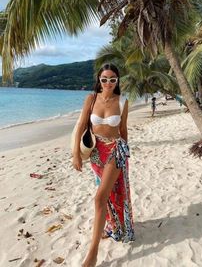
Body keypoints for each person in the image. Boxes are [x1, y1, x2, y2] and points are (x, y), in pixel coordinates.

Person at [72, 63, 135, 267]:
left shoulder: (123, 100)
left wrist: (125, 153)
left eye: (112, 79)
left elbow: (123, 129)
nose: (108, 83)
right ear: (99, 80)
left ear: (117, 81)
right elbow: (82, 125)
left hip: (115, 151)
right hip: (95, 153)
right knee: (106, 194)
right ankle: (114, 225)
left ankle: (92, 254)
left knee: (99, 198)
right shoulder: (91, 99)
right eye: (104, 79)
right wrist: (76, 155)